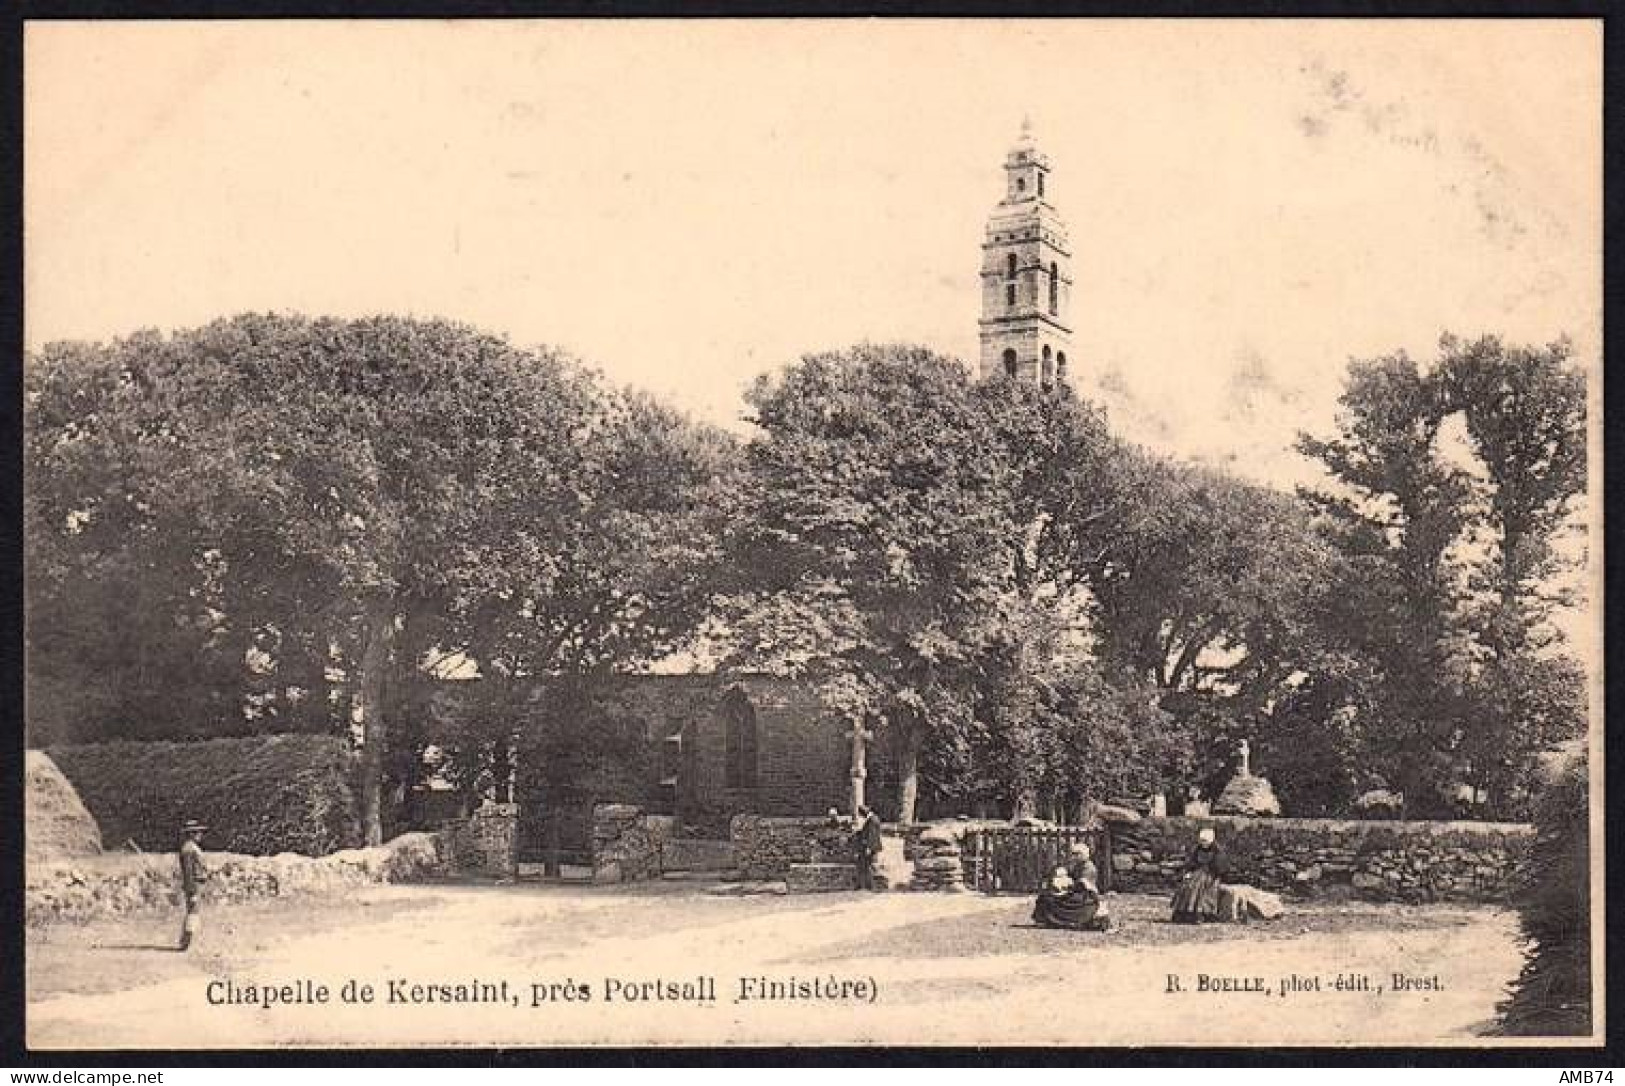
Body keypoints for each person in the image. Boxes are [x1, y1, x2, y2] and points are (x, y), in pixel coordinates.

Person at [1032, 842, 1111, 931]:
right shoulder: (1079, 865)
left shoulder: (1089, 867)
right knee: (1047, 896)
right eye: (1073, 854)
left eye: (1076, 854)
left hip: (1086, 896)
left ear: (1082, 854)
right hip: (1076, 892)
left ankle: (1058, 921)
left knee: (1052, 898)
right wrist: (1061, 873)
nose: (1074, 857)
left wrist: (1066, 886)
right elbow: (1071, 874)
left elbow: (1082, 885)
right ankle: (1045, 920)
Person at [1170, 825, 1227, 924]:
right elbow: (1192, 862)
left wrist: (1210, 871)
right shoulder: (1197, 849)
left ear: (1211, 841)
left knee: (1198, 886)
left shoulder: (1217, 852)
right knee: (1186, 884)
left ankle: (1198, 913)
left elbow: (1219, 868)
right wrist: (1188, 872)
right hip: (1197, 872)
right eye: (1202, 841)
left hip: (1211, 875)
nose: (1203, 843)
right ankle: (1182, 912)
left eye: (1205, 841)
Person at [177, 819, 209, 951]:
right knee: (193, 913)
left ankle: (186, 941)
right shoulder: (189, 849)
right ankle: (185, 943)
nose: (200, 835)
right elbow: (188, 872)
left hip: (197, 883)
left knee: (193, 912)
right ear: (192, 834)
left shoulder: (191, 848)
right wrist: (191, 889)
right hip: (194, 884)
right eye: (197, 833)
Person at [852, 804, 882, 891]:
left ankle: (870, 886)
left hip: (868, 847)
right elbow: (867, 832)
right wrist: (859, 832)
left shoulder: (872, 820)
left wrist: (869, 848)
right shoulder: (873, 818)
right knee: (864, 865)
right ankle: (863, 885)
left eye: (861, 815)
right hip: (868, 847)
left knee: (866, 866)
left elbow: (872, 835)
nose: (861, 817)